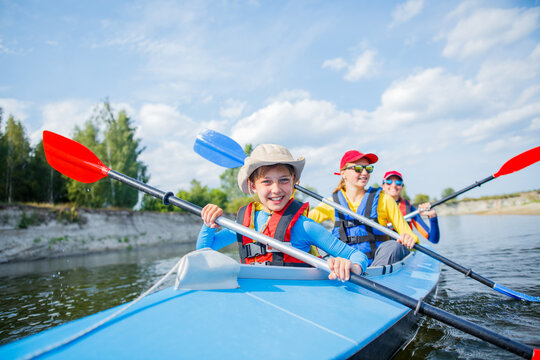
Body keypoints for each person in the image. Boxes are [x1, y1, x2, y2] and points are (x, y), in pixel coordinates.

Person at [197, 144, 369, 281]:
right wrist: (209, 223)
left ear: (295, 182)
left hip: (297, 300)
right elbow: (204, 251)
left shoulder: (304, 226)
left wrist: (351, 266)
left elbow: (357, 255)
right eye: (266, 182)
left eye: (284, 180)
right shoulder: (244, 225)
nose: (276, 189)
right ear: (252, 186)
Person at [308, 150, 418, 267]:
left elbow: (407, 232)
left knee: (393, 245)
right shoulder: (331, 203)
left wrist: (408, 238)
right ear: (343, 173)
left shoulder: (385, 200)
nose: (365, 172)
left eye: (368, 168)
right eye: (358, 168)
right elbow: (302, 222)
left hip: (378, 267)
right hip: (346, 267)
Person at [381, 170, 440, 244]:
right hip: (382, 248)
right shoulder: (375, 205)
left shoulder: (409, 208)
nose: (394, 185)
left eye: (398, 183)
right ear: (383, 186)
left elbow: (433, 239)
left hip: (403, 248)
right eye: (389, 182)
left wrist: (433, 217)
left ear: (402, 187)